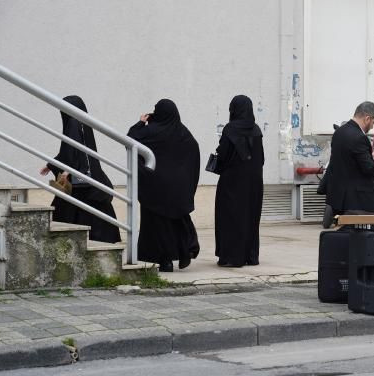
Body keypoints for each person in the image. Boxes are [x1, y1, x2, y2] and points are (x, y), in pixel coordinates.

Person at [127, 99, 200, 272]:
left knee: (159, 226)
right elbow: (193, 153)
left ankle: (165, 261)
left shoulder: (150, 131)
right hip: (178, 190)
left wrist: (141, 122)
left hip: (156, 188)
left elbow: (129, 139)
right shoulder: (184, 133)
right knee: (178, 221)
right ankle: (185, 252)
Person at [40, 95, 121, 243]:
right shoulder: (83, 122)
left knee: (68, 208)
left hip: (77, 176)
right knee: (92, 208)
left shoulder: (72, 122)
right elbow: (74, 150)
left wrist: (66, 170)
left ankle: (65, 241)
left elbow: (72, 149)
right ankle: (103, 239)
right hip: (88, 174)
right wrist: (51, 164)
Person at [215, 95, 264, 268]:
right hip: (254, 182)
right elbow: (261, 158)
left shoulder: (230, 129)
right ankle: (250, 256)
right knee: (250, 216)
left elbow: (223, 155)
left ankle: (231, 256)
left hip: (232, 181)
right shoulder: (257, 130)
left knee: (231, 217)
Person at [325, 101, 374, 215]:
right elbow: (369, 168)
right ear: (367, 118)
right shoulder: (359, 137)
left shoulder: (339, 132)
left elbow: (348, 157)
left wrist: (370, 155)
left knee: (346, 230)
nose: (372, 127)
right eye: (373, 123)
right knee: (359, 231)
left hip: (340, 196)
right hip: (357, 200)